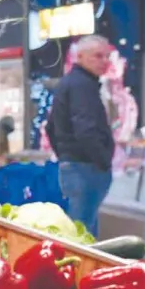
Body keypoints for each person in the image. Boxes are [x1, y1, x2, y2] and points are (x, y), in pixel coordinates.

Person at [47, 35, 116, 235]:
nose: (104, 61)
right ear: (80, 57)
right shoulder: (82, 85)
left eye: (107, 56)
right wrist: (102, 160)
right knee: (82, 234)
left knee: (78, 229)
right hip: (86, 169)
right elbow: (85, 129)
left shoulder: (70, 82)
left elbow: (50, 127)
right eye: (98, 56)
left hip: (74, 165)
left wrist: (65, 156)